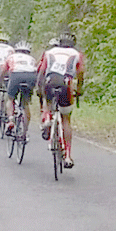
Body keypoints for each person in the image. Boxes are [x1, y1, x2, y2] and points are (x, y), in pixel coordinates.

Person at [37, 32, 85, 169]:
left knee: (47, 103)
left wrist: (40, 88)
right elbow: (81, 74)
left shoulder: (49, 52)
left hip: (50, 81)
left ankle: (46, 119)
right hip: (66, 84)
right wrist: (80, 89)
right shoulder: (76, 54)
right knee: (66, 119)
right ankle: (68, 156)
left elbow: (41, 71)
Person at [0, 41, 37, 138]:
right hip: (31, 77)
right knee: (25, 104)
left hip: (16, 75)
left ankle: (10, 120)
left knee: (10, 99)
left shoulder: (11, 57)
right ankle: (25, 133)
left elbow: (3, 71)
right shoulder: (32, 59)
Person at [37, 38, 60, 124]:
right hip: (61, 80)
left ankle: (44, 114)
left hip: (47, 78)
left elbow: (40, 68)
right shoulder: (61, 54)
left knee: (44, 97)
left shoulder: (47, 53)